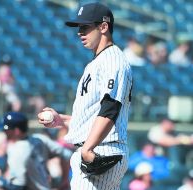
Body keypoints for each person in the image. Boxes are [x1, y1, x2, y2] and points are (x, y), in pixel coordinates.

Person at [38, 2, 132, 190]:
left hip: (102, 148)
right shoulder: (99, 61)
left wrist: (88, 148)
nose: (80, 32)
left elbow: (110, 108)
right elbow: (96, 116)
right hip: (99, 146)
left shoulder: (113, 60)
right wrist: (61, 120)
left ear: (104, 27)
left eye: (86, 27)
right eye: (79, 27)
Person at [0, 111, 72, 190]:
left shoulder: (16, 150)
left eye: (6, 129)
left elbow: (18, 187)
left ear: (17, 131)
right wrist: (65, 179)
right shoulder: (39, 139)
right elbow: (67, 154)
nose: (3, 132)